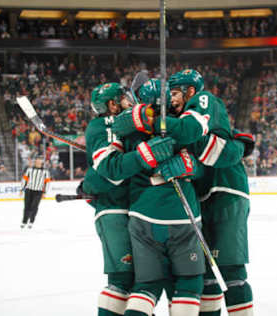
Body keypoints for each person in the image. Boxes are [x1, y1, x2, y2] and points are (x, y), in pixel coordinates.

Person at [112, 70, 254, 315]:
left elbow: (210, 147)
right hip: (201, 201)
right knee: (208, 276)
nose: (172, 98)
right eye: (169, 94)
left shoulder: (201, 100)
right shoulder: (171, 118)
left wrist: (154, 123)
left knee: (230, 272)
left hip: (224, 193)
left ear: (190, 92)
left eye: (176, 93)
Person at [83, 83, 174, 316]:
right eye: (123, 98)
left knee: (139, 280)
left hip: (131, 210)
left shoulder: (123, 123)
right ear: (112, 104)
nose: (128, 100)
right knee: (122, 279)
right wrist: (91, 181)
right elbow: (110, 172)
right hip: (114, 210)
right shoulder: (102, 125)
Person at [20, 156, 50, 229]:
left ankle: (31, 221)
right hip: (29, 190)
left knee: (34, 206)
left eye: (40, 160)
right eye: (37, 159)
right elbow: (25, 180)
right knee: (27, 206)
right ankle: (24, 221)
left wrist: (44, 192)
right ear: (35, 161)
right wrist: (21, 189)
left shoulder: (45, 171)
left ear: (42, 162)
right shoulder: (30, 170)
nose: (39, 161)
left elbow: (47, 182)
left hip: (38, 191)